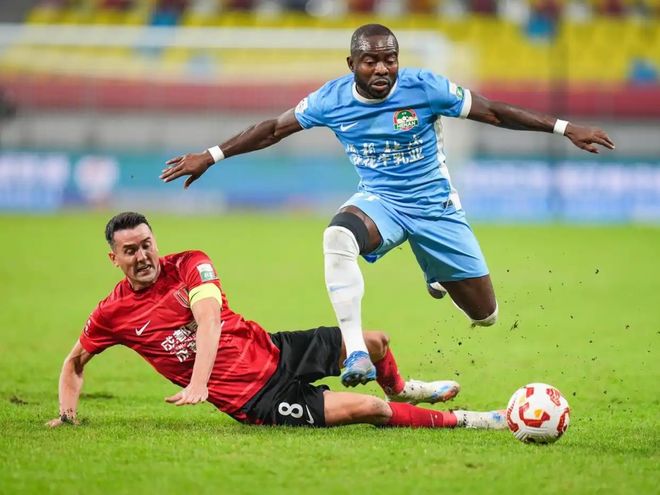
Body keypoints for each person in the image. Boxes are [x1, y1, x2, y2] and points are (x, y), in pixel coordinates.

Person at [159, 24, 616, 388]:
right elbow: (274, 129)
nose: (382, 68)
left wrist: (565, 128)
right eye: (370, 60)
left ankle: (435, 270)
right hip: (380, 202)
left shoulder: (425, 87)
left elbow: (493, 111)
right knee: (337, 236)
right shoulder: (331, 99)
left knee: (486, 316)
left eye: (389, 59)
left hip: (436, 209)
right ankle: (356, 350)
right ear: (352, 64)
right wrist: (211, 156)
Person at [47, 211, 506, 430]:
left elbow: (208, 321)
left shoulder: (189, 263)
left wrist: (198, 383)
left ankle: (401, 387)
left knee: (376, 343)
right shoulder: (112, 314)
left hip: (274, 348)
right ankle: (472, 421)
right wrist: (67, 416)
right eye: (131, 250)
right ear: (115, 259)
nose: (143, 256)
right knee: (371, 410)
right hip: (259, 399)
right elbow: (74, 363)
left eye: (147, 244)